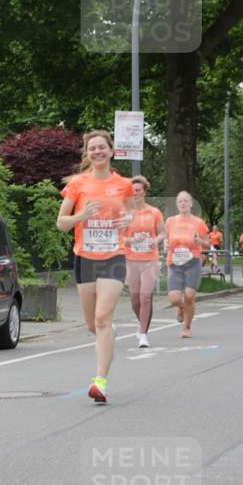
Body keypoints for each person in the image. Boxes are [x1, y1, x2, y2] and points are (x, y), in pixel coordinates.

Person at [57, 130, 134, 403]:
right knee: (93, 323)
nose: (97, 151)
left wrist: (128, 221)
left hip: (114, 257)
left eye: (102, 147)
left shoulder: (124, 185)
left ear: (111, 151)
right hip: (85, 258)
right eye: (92, 148)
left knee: (102, 318)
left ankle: (100, 382)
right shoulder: (78, 184)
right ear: (87, 154)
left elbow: (131, 212)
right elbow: (61, 223)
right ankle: (107, 334)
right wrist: (81, 215)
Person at [123, 175, 164, 348]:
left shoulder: (154, 212)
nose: (135, 194)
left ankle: (143, 335)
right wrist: (133, 240)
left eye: (138, 190)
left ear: (144, 192)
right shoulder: (126, 213)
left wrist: (154, 241)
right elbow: (120, 237)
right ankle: (142, 323)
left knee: (145, 297)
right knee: (135, 300)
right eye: (132, 191)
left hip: (150, 260)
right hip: (131, 259)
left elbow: (162, 233)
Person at [164, 192, 210, 337]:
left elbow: (208, 244)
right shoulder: (170, 221)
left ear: (191, 203)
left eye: (185, 201)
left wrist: (199, 242)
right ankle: (180, 307)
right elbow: (166, 239)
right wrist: (165, 244)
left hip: (192, 262)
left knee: (189, 296)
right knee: (174, 299)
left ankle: (187, 328)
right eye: (180, 201)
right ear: (177, 205)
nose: (183, 204)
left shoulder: (198, 222)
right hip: (174, 263)